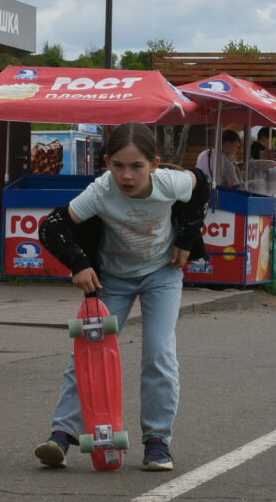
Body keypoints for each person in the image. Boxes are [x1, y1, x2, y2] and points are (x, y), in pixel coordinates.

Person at [35, 122, 210, 471]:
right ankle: (62, 436)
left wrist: (186, 240)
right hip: (113, 278)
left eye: (136, 166)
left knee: (158, 353)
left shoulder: (170, 183)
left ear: (155, 164)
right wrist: (79, 264)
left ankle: (158, 442)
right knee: (88, 353)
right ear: (106, 163)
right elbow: (52, 226)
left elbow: (202, 186)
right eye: (118, 166)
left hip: (161, 275)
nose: (126, 176)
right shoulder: (101, 191)